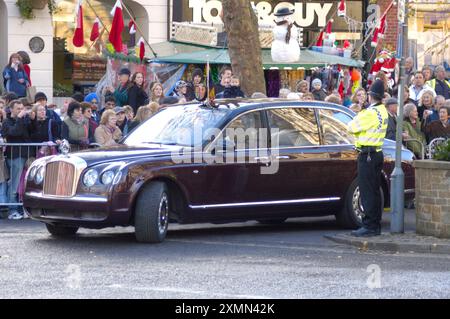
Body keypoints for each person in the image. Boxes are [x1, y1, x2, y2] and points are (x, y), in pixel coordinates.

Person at [347, 80, 388, 237]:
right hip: (376, 153)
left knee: (367, 191)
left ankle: (369, 226)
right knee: (374, 191)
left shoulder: (369, 113)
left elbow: (351, 127)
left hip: (368, 155)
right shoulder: (382, 110)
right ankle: (374, 224)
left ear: (371, 96)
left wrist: (361, 113)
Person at [1, 100, 32, 220]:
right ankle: (12, 209)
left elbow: (31, 133)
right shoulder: (6, 122)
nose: (21, 110)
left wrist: (33, 119)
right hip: (14, 156)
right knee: (14, 184)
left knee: (23, 184)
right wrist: (19, 119)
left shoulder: (24, 120)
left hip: (26, 154)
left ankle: (21, 209)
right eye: (18, 108)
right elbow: (14, 132)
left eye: (21, 108)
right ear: (11, 110)